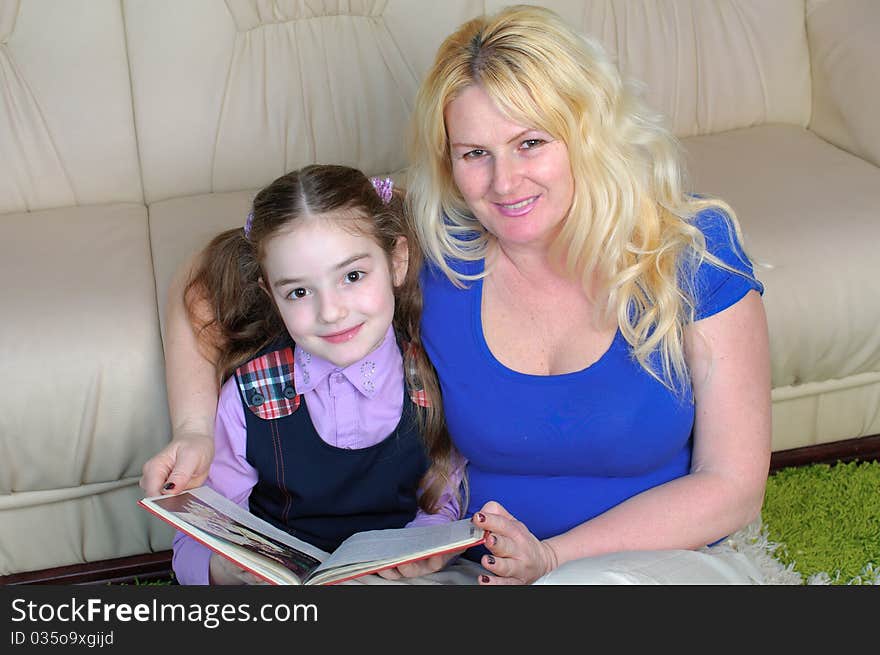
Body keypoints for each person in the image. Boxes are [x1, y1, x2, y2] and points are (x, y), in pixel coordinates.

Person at [143, 5, 771, 585]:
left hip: (654, 566)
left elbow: (733, 484)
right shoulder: (437, 249)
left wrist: (552, 558)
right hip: (476, 572)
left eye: (531, 142)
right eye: (475, 154)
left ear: (589, 132)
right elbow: (204, 280)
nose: (504, 182)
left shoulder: (687, 249)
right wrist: (197, 430)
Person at [166, 165, 468, 584]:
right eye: (299, 292)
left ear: (396, 262)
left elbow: (443, 505)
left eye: (353, 276)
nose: (331, 312)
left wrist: (414, 557)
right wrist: (230, 569)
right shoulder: (251, 394)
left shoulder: (431, 377)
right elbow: (201, 537)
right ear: (271, 295)